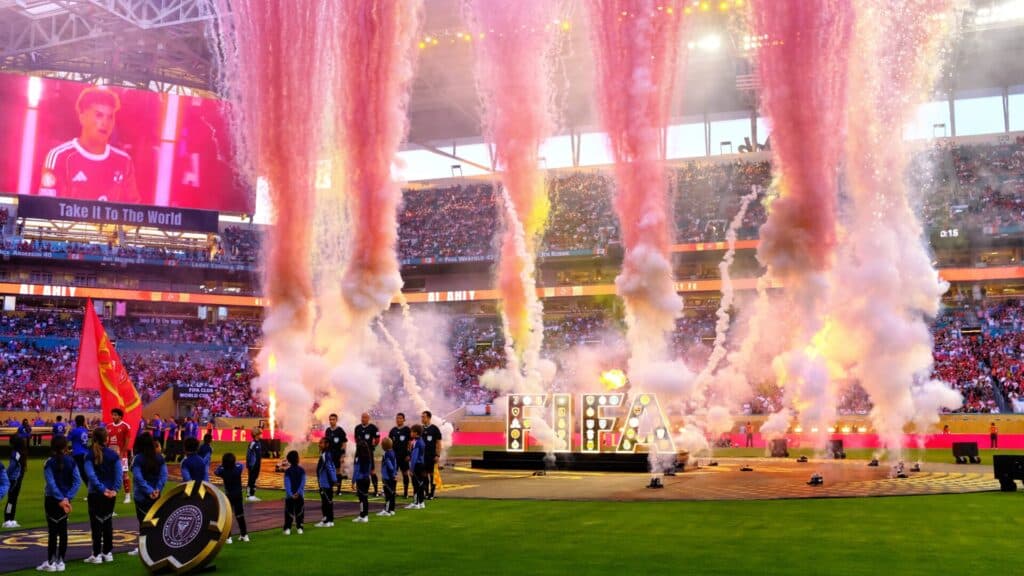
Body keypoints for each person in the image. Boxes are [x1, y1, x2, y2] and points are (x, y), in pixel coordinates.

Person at [37, 86, 140, 204]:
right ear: (82, 116)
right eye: (99, 115)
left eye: (110, 117)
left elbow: (134, 210)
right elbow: (46, 208)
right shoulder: (60, 157)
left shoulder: (124, 161)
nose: (105, 123)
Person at [39, 436, 81, 572]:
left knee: (53, 531)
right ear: (65, 447)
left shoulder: (48, 462)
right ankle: (61, 561)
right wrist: (67, 498)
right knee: (63, 530)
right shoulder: (72, 461)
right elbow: (77, 482)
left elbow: (50, 483)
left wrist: (60, 499)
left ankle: (51, 563)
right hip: (65, 500)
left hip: (52, 500)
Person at [83, 428, 121, 564]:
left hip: (96, 493)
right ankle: (108, 552)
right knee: (107, 521)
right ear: (107, 439)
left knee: (96, 523)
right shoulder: (113, 454)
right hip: (110, 493)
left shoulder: (89, 455)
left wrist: (102, 489)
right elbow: (119, 473)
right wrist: (115, 489)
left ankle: (97, 554)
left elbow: (91, 475)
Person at [129, 433, 167, 557]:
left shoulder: (138, 459)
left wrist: (149, 491)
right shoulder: (159, 457)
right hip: (156, 495)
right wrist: (157, 490)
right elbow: (163, 476)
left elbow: (138, 478)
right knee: (156, 520)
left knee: (143, 522)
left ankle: (143, 547)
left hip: (142, 495)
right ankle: (157, 546)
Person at [214, 453, 248, 544]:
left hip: (228, 495)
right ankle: (244, 535)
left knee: (228, 516)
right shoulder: (237, 469)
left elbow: (216, 471)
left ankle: (228, 537)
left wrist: (222, 465)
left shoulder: (223, 471)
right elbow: (241, 464)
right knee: (240, 515)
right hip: (238, 495)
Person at [107, 408, 133, 504]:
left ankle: (127, 496)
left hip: (122, 456)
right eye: (112, 415)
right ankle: (110, 493)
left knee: (124, 475)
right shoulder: (108, 426)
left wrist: (122, 453)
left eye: (115, 415)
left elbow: (127, 441)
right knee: (110, 475)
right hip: (110, 456)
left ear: (120, 416)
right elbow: (107, 441)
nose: (113, 417)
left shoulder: (125, 426)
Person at [354, 412, 381, 496]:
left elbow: (377, 438)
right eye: (362, 417)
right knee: (359, 471)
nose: (363, 419)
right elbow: (356, 438)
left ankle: (376, 490)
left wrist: (373, 445)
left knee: (371, 471)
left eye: (365, 417)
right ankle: (360, 490)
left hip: (368, 454)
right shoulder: (357, 428)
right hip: (358, 454)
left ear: (368, 418)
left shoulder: (373, 428)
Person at [3, 435, 27, 528]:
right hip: (16, 479)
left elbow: (12, 466)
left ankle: (11, 519)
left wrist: (6, 475)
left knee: (12, 500)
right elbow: (13, 466)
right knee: (11, 500)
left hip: (15, 479)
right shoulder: (20, 453)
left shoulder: (16, 453)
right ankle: (7, 519)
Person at [314, 438, 337, 528]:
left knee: (325, 503)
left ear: (327, 444)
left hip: (324, 482)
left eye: (321, 443)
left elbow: (330, 467)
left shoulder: (325, 455)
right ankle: (330, 520)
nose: (319, 444)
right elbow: (332, 466)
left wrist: (334, 479)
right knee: (329, 501)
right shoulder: (327, 454)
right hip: (327, 482)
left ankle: (326, 521)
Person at [389, 413, 412, 498]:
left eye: (400, 418)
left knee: (405, 473)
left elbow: (409, 443)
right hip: (394, 456)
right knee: (394, 474)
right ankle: (393, 491)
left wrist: (409, 454)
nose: (398, 420)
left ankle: (406, 493)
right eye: (397, 418)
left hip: (404, 457)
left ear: (404, 419)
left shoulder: (407, 430)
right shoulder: (393, 430)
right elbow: (389, 444)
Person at [421, 411, 443, 500]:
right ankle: (426, 492)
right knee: (424, 475)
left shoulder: (434, 429)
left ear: (429, 418)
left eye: (424, 417)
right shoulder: (420, 429)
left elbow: (438, 443)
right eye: (421, 417)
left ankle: (432, 493)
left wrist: (437, 455)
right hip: (423, 457)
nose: (422, 419)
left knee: (432, 475)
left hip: (432, 456)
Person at [324, 414, 347, 495]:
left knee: (338, 471)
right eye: (330, 419)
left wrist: (343, 455)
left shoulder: (340, 430)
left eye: (333, 419)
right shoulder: (327, 430)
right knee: (329, 471)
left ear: (336, 420)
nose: (331, 421)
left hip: (337, 454)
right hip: (329, 455)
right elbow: (325, 443)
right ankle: (330, 488)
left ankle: (338, 490)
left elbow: (344, 443)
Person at [283, 450, 305, 536]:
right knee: (300, 512)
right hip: (300, 496)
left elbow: (287, 484)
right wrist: (298, 492)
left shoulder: (287, 471)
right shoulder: (301, 470)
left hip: (290, 497)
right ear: (297, 459)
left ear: (288, 460)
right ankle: (300, 528)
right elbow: (302, 483)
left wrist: (291, 494)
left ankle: (288, 528)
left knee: (289, 512)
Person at [406, 424, 426, 510]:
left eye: (411, 431)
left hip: (416, 466)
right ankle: (421, 502)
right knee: (420, 484)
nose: (410, 433)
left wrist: (411, 469)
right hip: (421, 465)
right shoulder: (421, 441)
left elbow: (414, 456)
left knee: (416, 484)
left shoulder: (417, 442)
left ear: (416, 433)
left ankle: (415, 503)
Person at [70, 415, 91, 495]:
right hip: (85, 453)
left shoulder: (74, 431)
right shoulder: (85, 430)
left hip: (77, 454)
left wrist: (68, 430)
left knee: (79, 473)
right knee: (84, 473)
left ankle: (90, 490)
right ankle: (90, 490)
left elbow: (66, 439)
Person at [352, 441, 372, 523]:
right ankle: (364, 515)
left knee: (361, 499)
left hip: (360, 480)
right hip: (367, 479)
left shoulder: (358, 458)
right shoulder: (368, 457)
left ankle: (363, 515)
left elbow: (356, 470)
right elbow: (369, 468)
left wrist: (353, 481)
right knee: (365, 498)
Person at [378, 437, 397, 517]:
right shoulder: (393, 452)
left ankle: (387, 510)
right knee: (392, 494)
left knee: (388, 494)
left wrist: (391, 474)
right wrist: (394, 474)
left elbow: (390, 465)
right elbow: (394, 464)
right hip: (392, 476)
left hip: (388, 477)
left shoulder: (386, 454)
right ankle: (392, 509)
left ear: (384, 446)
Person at [245, 428, 262, 501]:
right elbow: (248, 454)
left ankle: (252, 494)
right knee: (251, 479)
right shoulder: (253, 443)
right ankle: (249, 495)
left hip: (258, 464)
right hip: (253, 465)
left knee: (254, 479)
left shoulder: (258, 443)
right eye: (260, 434)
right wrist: (249, 464)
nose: (261, 435)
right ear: (256, 435)